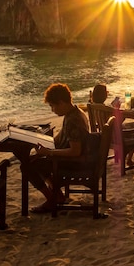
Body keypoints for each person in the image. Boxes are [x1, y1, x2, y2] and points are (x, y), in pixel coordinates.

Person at [23, 83, 90, 213]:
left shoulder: (73, 120)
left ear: (61, 103)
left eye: (52, 106)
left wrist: (49, 152)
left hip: (75, 163)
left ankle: (53, 199)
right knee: (33, 160)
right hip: (76, 159)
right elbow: (58, 139)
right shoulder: (74, 113)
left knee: (27, 166)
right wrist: (42, 143)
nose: (52, 110)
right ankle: (56, 195)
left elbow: (75, 151)